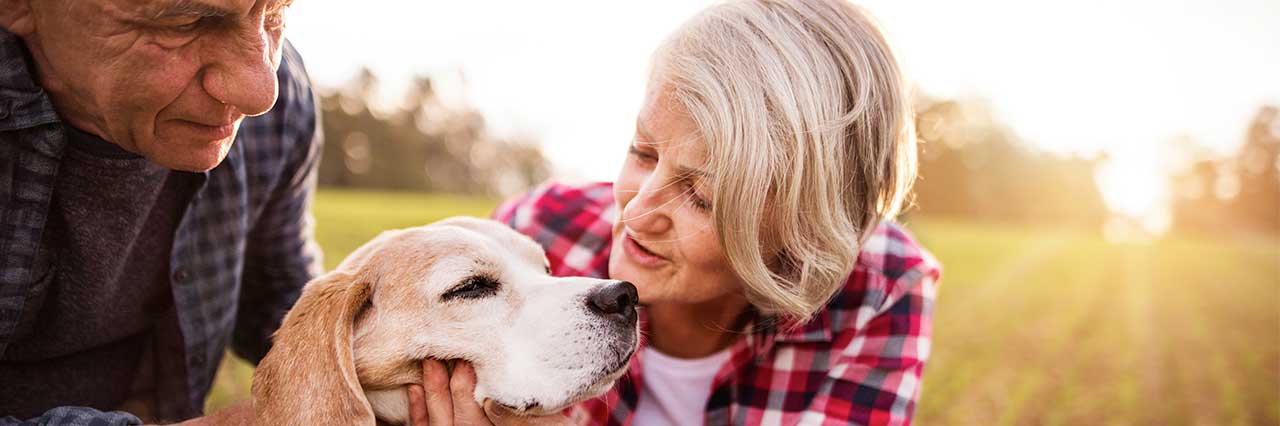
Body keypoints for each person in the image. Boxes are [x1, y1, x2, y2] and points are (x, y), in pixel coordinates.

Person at [404, 0, 941, 425]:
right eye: (642, 153)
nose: (637, 212)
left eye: (701, 196)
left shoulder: (884, 286)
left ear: (807, 229)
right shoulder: (537, 234)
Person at [0, 0, 322, 424]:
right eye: (186, 21)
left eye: (274, 14)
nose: (261, 91)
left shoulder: (284, 102)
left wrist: (387, 367)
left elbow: (277, 297)